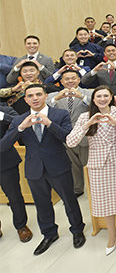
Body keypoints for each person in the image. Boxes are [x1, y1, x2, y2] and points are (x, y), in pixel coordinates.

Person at [0, 84, 86, 255]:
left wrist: (50, 124)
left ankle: (77, 230)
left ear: (46, 96)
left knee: (69, 200)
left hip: (58, 165)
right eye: (30, 95)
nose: (35, 98)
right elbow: (3, 146)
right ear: (25, 99)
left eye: (38, 94)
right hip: (34, 169)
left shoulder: (59, 114)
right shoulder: (19, 120)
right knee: (42, 204)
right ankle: (49, 233)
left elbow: (68, 138)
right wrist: (20, 128)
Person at [65, 86, 116, 255]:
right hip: (97, 164)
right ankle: (111, 233)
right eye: (98, 97)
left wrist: (115, 123)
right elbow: (71, 141)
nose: (102, 99)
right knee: (103, 202)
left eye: (105, 96)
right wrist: (88, 124)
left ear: (111, 97)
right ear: (93, 100)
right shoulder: (84, 116)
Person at [47, 70, 93, 196]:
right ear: (61, 81)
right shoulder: (53, 96)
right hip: (65, 137)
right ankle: (77, 190)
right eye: (67, 79)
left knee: (89, 166)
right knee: (72, 166)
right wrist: (57, 98)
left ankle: (94, 191)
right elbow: (44, 108)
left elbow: (97, 105)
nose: (70, 81)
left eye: (73, 78)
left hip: (85, 137)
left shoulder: (89, 93)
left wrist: (81, 97)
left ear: (79, 80)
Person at [0, 105, 33, 243]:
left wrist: (2, 117)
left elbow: (21, 122)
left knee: (14, 196)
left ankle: (21, 226)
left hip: (5, 162)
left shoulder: (4, 110)